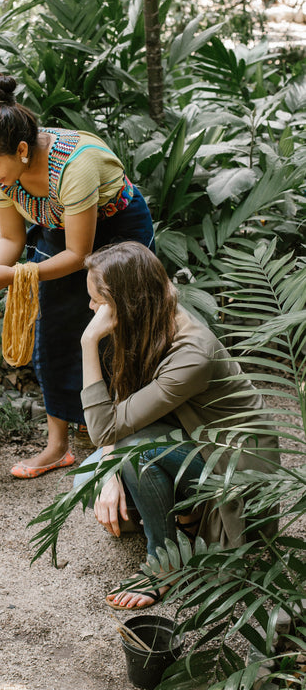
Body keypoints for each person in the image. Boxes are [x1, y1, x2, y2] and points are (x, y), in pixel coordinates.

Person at [0, 70, 154, 479]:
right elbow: (10, 239)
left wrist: (14, 276)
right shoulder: (0, 170)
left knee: (118, 330)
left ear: (22, 148)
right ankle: (58, 445)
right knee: (55, 332)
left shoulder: (74, 166)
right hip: (61, 228)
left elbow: (81, 255)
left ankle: (120, 442)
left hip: (118, 230)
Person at [78, 241, 280, 610]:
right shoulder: (152, 317)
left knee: (131, 451)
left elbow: (107, 431)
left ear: (125, 302)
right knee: (87, 484)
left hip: (233, 469)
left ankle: (164, 564)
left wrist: (88, 341)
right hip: (192, 441)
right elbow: (120, 415)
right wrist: (108, 477)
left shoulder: (192, 353)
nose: (91, 309)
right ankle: (184, 517)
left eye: (97, 301)